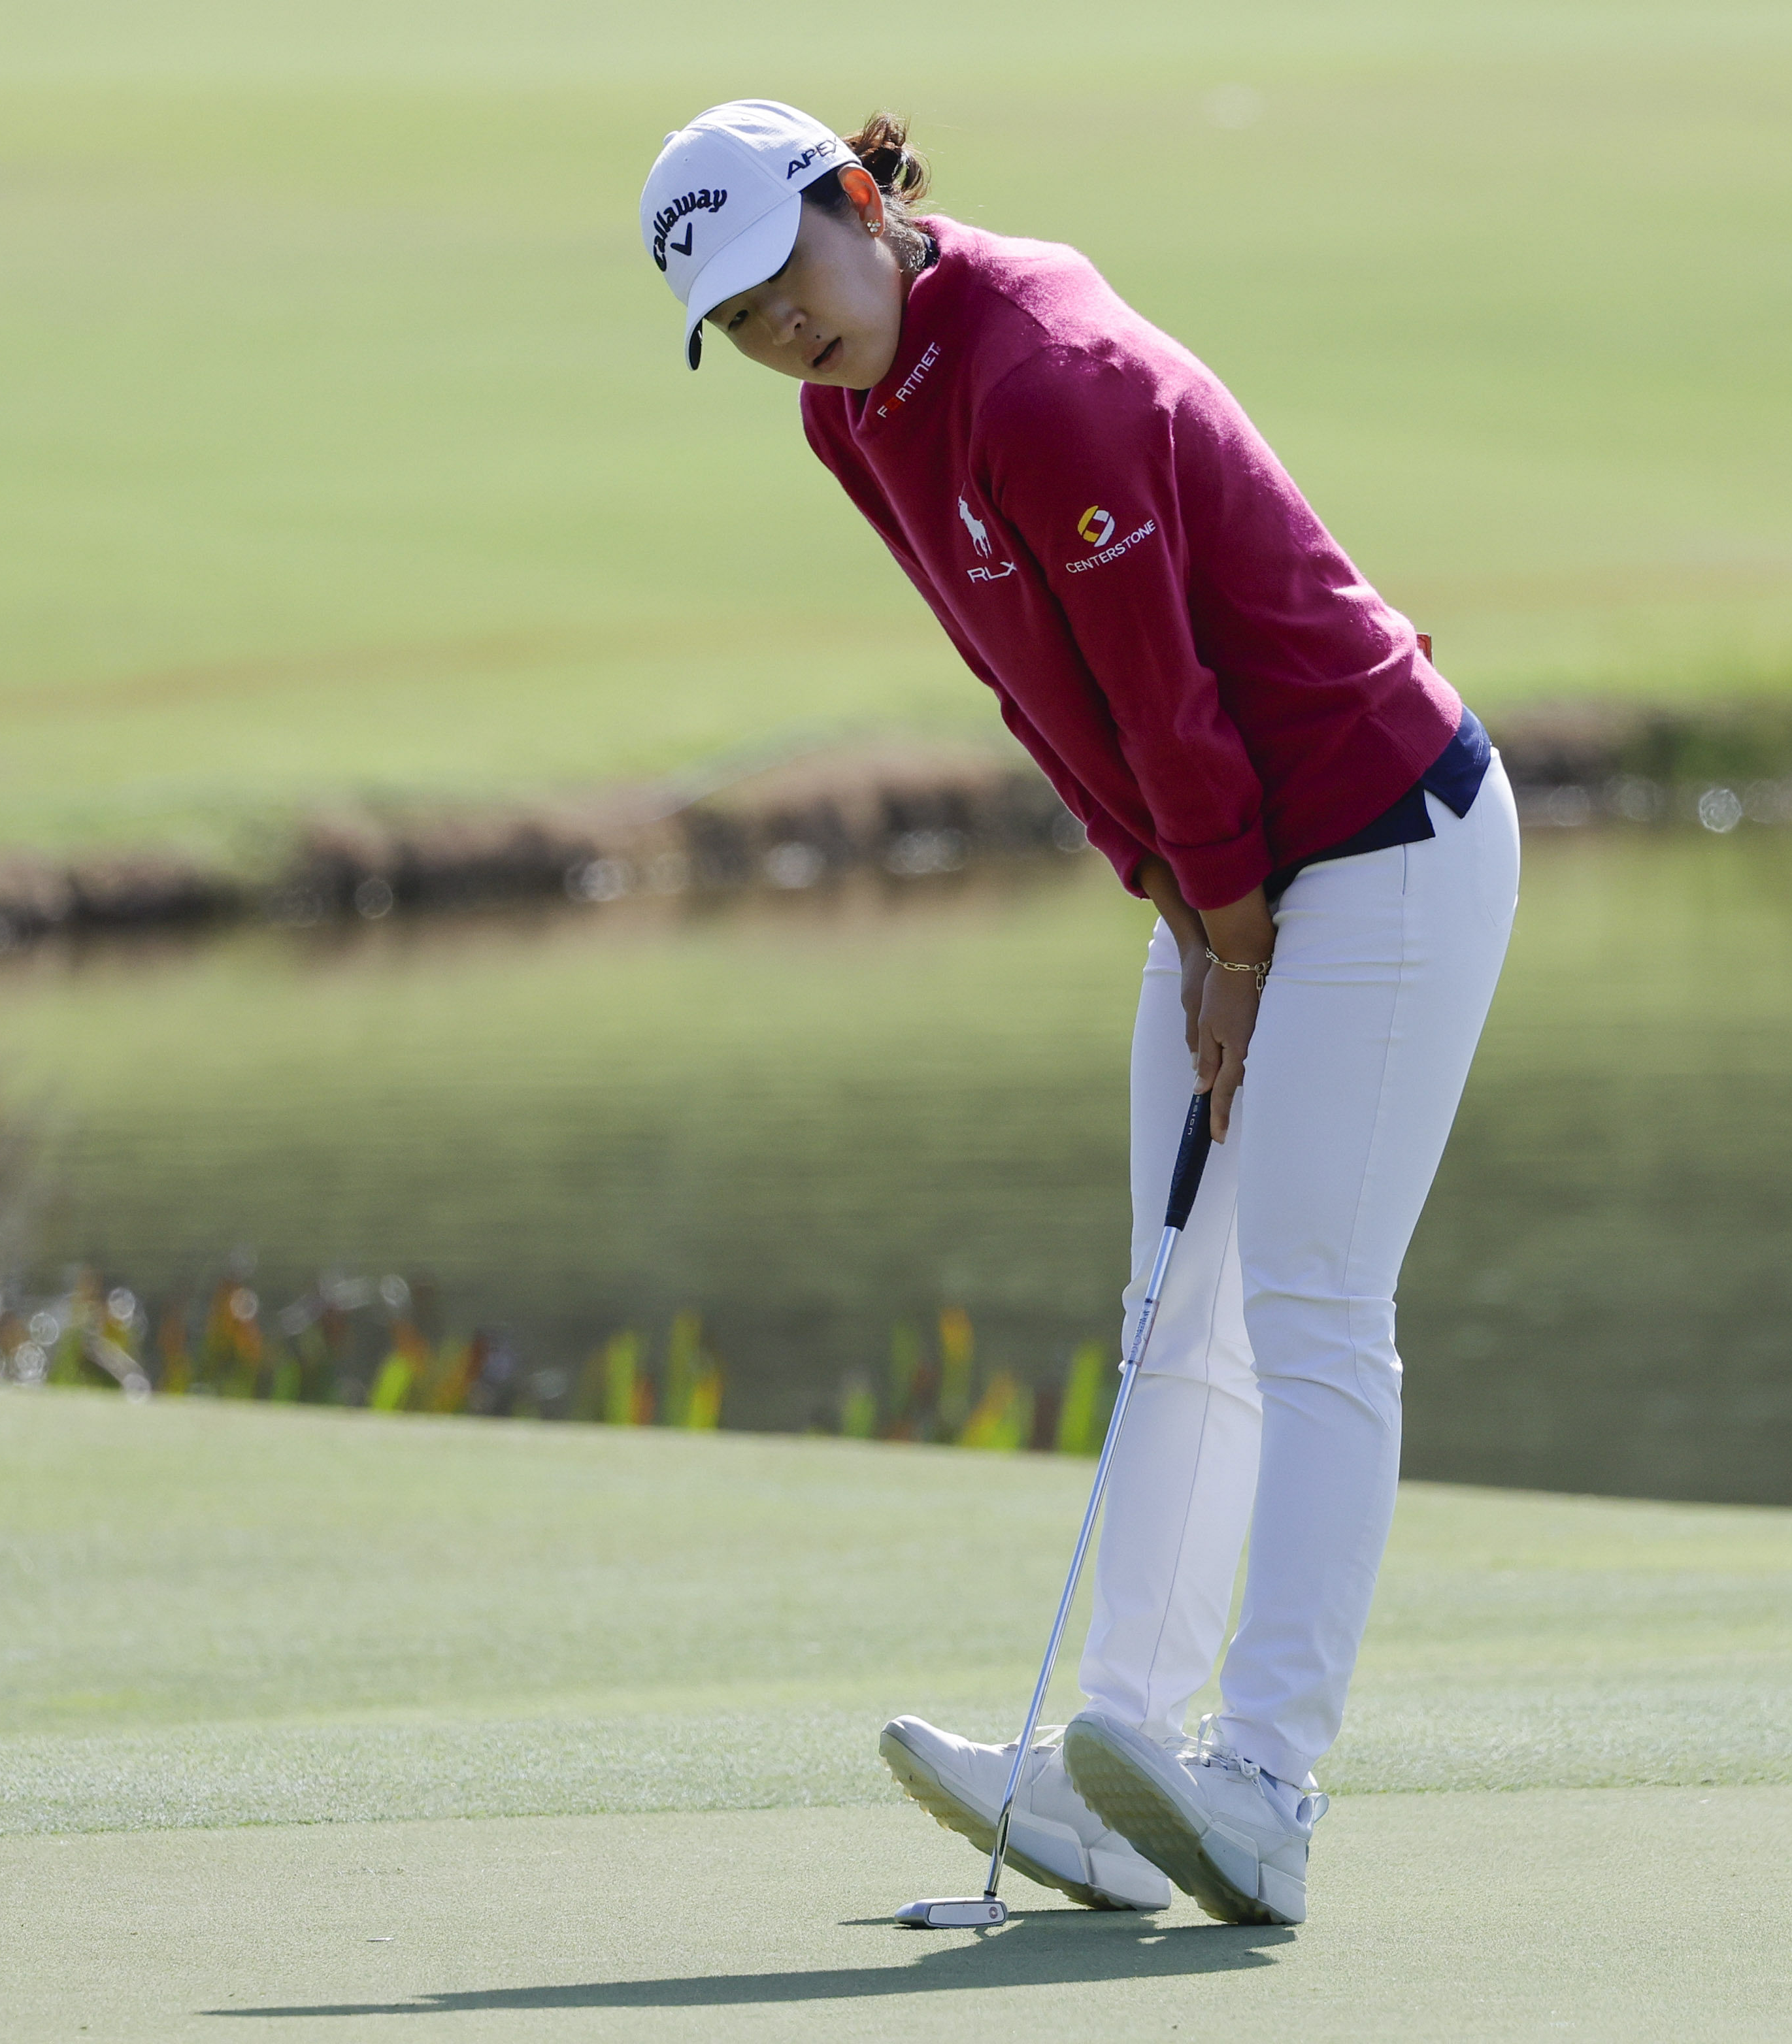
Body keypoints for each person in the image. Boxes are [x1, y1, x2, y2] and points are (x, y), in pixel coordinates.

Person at [637, 101, 1519, 1926]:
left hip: (1383, 825)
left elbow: (1164, 684)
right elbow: (1029, 682)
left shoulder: (1042, 376)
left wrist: (1236, 937)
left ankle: (1263, 1786)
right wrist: (1182, 916)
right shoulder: (850, 412)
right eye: (733, 320)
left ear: (860, 206)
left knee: (1308, 1304)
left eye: (779, 277)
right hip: (1226, 862)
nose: (775, 330)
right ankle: (1115, 1772)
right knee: (1172, 1307)